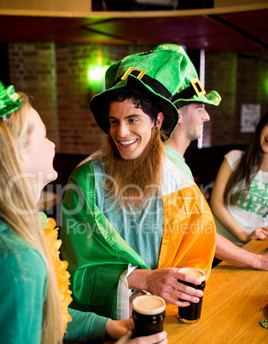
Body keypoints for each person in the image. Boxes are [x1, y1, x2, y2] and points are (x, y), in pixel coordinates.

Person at [0, 82, 168, 344]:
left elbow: (49, 312)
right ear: (16, 153)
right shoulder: (18, 258)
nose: (52, 145)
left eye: (133, 119)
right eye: (44, 136)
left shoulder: (30, 227)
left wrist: (106, 327)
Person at [61, 44, 216, 320]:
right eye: (113, 121)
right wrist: (143, 280)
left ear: (157, 121)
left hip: (164, 320)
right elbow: (77, 270)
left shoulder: (179, 183)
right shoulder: (85, 181)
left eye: (133, 119)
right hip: (101, 327)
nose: (121, 133)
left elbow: (197, 256)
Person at [164, 56, 268, 269]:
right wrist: (255, 258)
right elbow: (200, 229)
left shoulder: (176, 164)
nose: (207, 117)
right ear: (178, 114)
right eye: (201, 108)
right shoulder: (168, 165)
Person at [210, 111, 268, 247]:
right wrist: (244, 236)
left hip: (254, 248)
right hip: (218, 244)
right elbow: (216, 204)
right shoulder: (235, 158)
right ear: (261, 127)